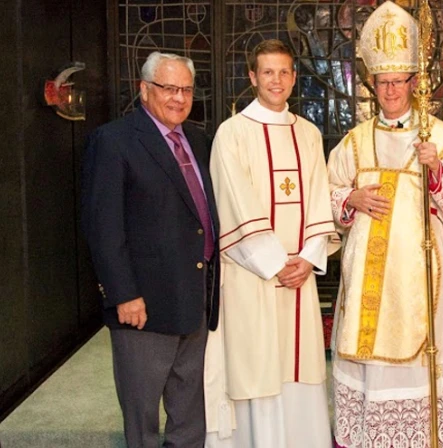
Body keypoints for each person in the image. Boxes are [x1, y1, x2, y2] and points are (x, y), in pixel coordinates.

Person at [327, 2, 443, 447]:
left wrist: (436, 173)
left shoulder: (442, 139)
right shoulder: (354, 143)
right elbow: (326, 198)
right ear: (371, 84)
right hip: (366, 286)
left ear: (414, 82)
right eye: (383, 82)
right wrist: (350, 198)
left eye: (398, 81)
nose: (391, 90)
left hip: (420, 281)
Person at [203, 39, 338, 448]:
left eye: (284, 72)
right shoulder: (232, 134)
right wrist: (276, 261)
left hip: (299, 276)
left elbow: (318, 196)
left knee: (300, 364)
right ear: (252, 77)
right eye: (267, 72)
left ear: (294, 77)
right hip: (253, 275)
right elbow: (234, 201)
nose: (276, 80)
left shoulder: (309, 134)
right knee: (256, 362)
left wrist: (309, 259)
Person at [81, 51, 219, 447]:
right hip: (142, 306)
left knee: (189, 411)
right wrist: (123, 294)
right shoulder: (114, 141)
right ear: (144, 89)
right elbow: (102, 227)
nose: (179, 97)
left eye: (187, 89)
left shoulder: (198, 139)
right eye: (169, 88)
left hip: (195, 298)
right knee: (142, 417)